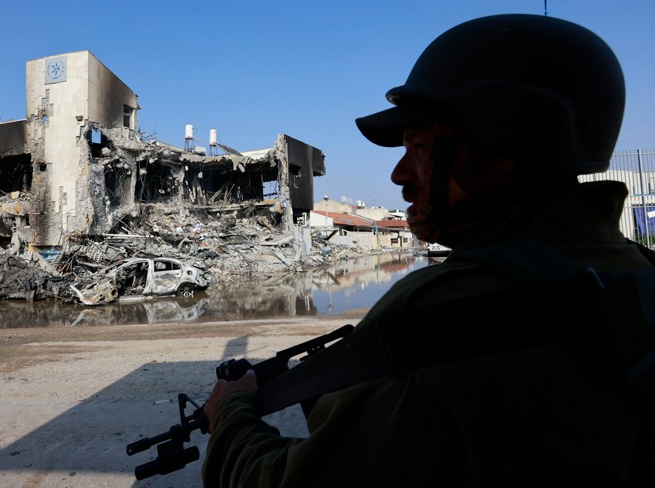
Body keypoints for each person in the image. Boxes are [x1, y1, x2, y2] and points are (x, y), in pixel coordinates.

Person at [201, 13, 655, 487]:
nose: (399, 175)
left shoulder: (437, 309)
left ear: (502, 146)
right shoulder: (639, 272)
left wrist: (231, 414)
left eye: (419, 148)